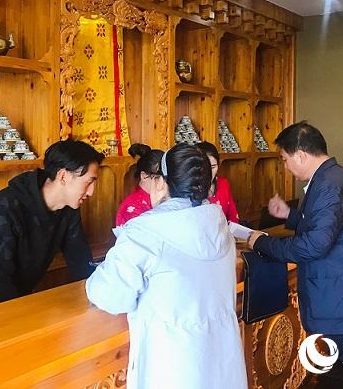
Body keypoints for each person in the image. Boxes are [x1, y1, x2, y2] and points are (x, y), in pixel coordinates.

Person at [86, 144, 247, 389]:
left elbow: (110, 295)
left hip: (172, 364)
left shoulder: (144, 232)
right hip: (222, 360)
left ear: (161, 182)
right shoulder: (219, 226)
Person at [247, 121, 343, 372]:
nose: (285, 167)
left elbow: (314, 245)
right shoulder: (334, 177)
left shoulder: (329, 185)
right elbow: (331, 227)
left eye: (285, 159)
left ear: (300, 155)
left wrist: (262, 242)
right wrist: (290, 215)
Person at [0, 139, 104, 315]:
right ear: (63, 176)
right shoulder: (8, 207)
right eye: (89, 182)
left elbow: (80, 260)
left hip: (15, 295)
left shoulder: (69, 208)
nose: (91, 191)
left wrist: (97, 297)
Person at [115, 143, 164, 228]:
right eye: (158, 178)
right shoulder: (131, 208)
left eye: (166, 178)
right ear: (144, 176)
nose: (163, 183)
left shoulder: (164, 198)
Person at [197, 141, 240, 223]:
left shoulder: (223, 183)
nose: (209, 173)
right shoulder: (190, 190)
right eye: (204, 168)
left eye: (213, 167)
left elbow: (233, 217)